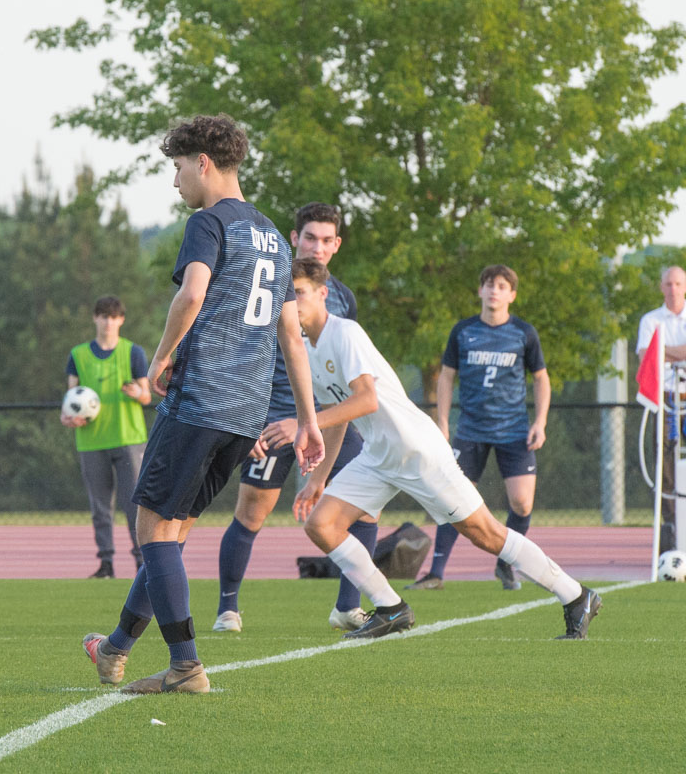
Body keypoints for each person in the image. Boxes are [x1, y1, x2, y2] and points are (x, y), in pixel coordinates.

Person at [80, 114, 324, 694]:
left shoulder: (207, 223)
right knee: (172, 531)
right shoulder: (269, 232)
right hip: (246, 416)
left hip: (198, 402)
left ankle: (186, 666)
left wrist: (161, 358)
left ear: (204, 164)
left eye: (178, 167)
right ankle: (114, 647)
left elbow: (191, 295)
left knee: (152, 532)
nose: (175, 181)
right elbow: (292, 335)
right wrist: (309, 421)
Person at [277, 258, 599, 641]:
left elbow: (366, 401)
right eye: (287, 294)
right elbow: (336, 413)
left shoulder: (344, 333)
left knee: (485, 533)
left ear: (322, 294)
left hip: (417, 451)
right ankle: (390, 607)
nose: (293, 302)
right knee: (321, 524)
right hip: (379, 456)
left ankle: (576, 595)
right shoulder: (303, 348)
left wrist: (303, 424)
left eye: (299, 292)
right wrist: (318, 480)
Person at [212, 202, 371, 633]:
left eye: (325, 240)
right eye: (309, 237)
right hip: (274, 419)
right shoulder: (266, 283)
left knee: (367, 507)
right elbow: (243, 351)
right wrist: (249, 419)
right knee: (252, 512)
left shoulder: (342, 297)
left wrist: (326, 418)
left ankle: (348, 607)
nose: (316, 247)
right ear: (293, 236)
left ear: (336, 246)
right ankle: (228, 608)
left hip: (328, 418)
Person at [406, 265, 550, 591]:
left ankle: (505, 563)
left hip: (514, 430)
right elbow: (446, 376)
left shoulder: (524, 333)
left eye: (501, 286)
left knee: (522, 504)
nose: (494, 290)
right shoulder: (463, 331)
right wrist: (442, 421)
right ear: (480, 291)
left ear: (512, 294)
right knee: (452, 499)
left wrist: (540, 422)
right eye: (488, 285)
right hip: (470, 430)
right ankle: (436, 574)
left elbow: (541, 378)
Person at [62, 295, 152, 578]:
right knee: (100, 508)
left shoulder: (133, 352)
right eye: (103, 316)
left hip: (128, 439)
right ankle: (106, 563)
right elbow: (71, 397)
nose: (108, 322)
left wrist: (138, 393)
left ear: (121, 320)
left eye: (113, 317)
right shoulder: (78, 355)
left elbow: (147, 395)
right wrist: (68, 417)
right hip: (92, 441)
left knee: (133, 505)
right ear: (95, 318)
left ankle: (142, 562)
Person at [636, 265, 686, 555]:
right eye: (668, 283)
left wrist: (665, 350)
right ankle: (671, 527)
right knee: (664, 462)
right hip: (666, 399)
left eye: (678, 283)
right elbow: (647, 358)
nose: (673, 289)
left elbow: (658, 353)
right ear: (661, 286)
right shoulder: (650, 320)